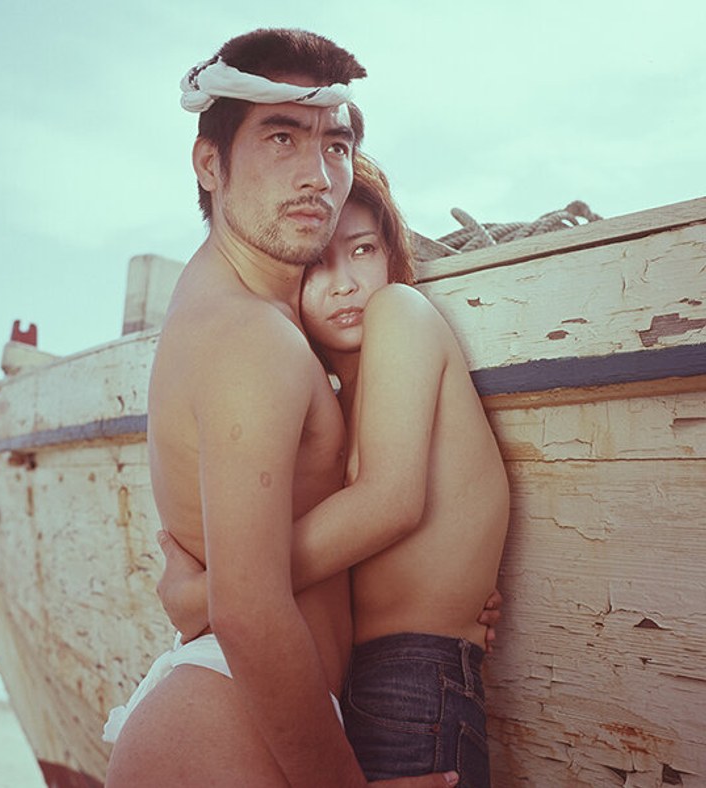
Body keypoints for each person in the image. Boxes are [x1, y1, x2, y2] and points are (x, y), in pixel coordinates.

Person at [103, 28, 461, 788]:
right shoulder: (251, 336)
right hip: (231, 723)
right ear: (210, 164)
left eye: (336, 145)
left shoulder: (225, 297)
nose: (318, 177)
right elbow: (248, 604)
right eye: (281, 138)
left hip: (232, 708)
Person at [156, 152, 510, 787]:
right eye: (317, 263)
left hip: (413, 684)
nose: (344, 283)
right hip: (359, 685)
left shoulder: (400, 311)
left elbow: (390, 502)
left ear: (392, 255)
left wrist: (209, 593)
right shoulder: (327, 401)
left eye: (363, 250)